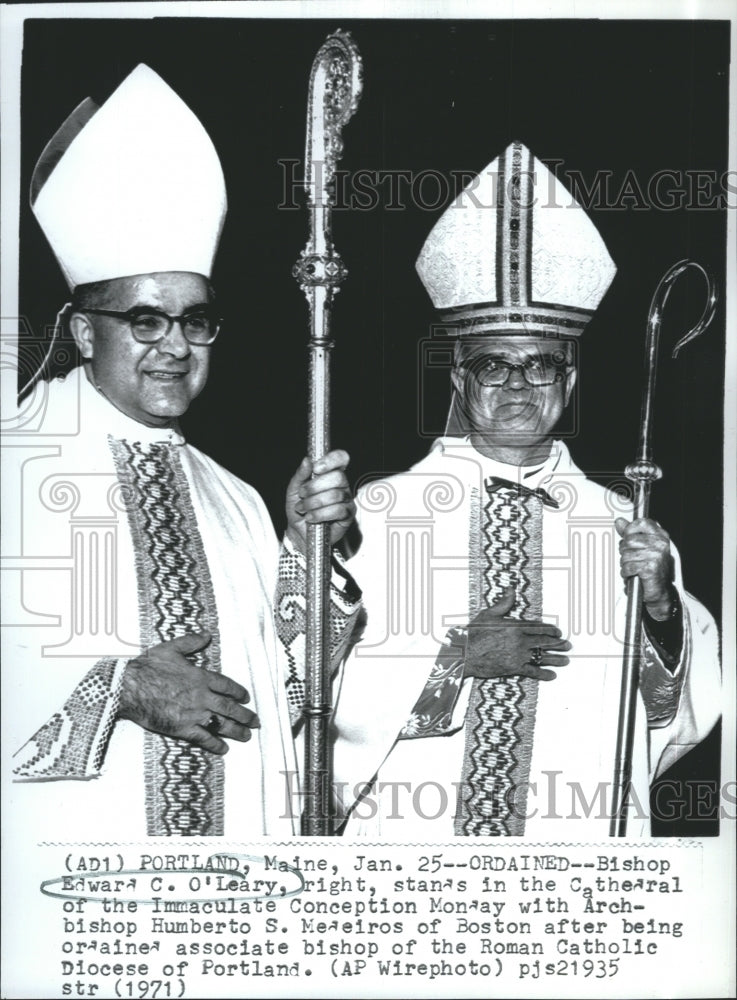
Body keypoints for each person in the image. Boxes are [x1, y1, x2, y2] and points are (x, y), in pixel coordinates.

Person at [328, 140, 721, 837]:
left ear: (567, 383)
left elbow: (672, 716)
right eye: (492, 366)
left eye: (539, 366)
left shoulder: (622, 523)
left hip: (568, 851)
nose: (516, 385)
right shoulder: (380, 513)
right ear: (459, 380)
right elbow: (312, 693)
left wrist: (658, 605)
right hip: (411, 850)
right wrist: (451, 665)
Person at [7, 64, 360, 838]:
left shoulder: (233, 497)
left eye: (195, 320)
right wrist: (119, 689)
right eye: (144, 319)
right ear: (80, 330)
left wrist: (301, 546)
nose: (174, 346)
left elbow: (294, 692)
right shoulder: (16, 463)